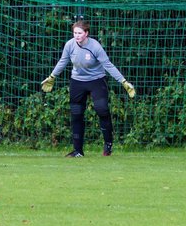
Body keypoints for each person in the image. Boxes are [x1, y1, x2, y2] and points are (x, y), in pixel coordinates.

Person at [41, 19, 135, 157]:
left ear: (86, 33)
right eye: (75, 33)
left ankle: (108, 143)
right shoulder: (70, 45)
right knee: (76, 114)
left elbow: (108, 65)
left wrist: (123, 81)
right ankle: (78, 151)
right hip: (77, 82)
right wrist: (52, 76)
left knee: (102, 109)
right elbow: (63, 61)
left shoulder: (95, 46)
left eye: (79, 33)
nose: (77, 35)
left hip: (96, 81)